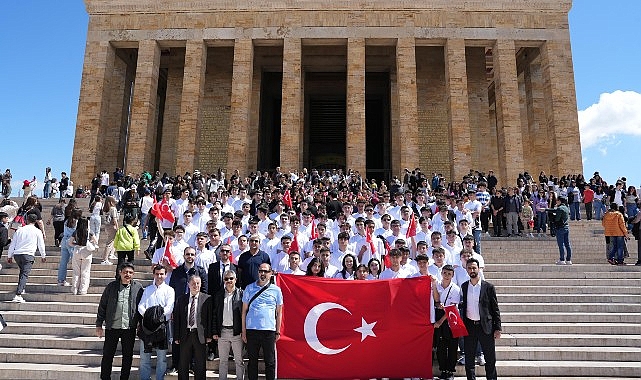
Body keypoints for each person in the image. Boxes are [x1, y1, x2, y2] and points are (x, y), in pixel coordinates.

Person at [96, 262, 144, 380]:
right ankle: (105, 377)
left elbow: (142, 306)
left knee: (127, 356)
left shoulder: (138, 287)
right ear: (120, 273)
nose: (128, 274)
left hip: (129, 327)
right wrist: (99, 324)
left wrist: (140, 324)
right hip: (113, 326)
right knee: (108, 355)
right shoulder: (111, 287)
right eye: (125, 272)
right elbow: (103, 305)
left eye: (130, 272)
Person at [459, 258, 501, 380]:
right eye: (469, 268)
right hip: (470, 326)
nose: (472, 270)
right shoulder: (464, 286)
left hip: (485, 327)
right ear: (466, 270)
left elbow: (495, 309)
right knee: (469, 359)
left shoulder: (488, 287)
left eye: (474, 268)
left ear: (478, 269)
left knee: (490, 358)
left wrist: (498, 328)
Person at [242, 263, 283, 380]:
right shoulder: (249, 288)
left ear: (270, 273)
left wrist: (278, 331)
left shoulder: (276, 290)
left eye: (265, 271)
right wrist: (243, 331)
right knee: (252, 361)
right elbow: (244, 311)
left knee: (270, 362)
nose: (263, 274)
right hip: (252, 330)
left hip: (269, 331)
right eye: (261, 271)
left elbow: (279, 312)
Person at [138, 265, 175, 380]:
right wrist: (149, 317)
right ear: (153, 274)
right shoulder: (148, 290)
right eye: (157, 274)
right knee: (144, 358)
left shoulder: (170, 290)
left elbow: (169, 308)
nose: (159, 276)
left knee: (162, 358)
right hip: (147, 328)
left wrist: (156, 316)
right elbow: (141, 306)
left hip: (162, 327)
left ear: (165, 275)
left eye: (161, 274)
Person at [173, 274, 212, 380]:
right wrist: (176, 336)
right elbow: (177, 319)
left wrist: (209, 336)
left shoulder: (207, 299)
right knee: (183, 364)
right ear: (188, 285)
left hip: (200, 335)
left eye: (198, 283)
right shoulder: (181, 299)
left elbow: (209, 318)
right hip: (185, 334)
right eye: (193, 283)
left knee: (200, 364)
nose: (196, 286)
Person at [212, 270, 245, 380]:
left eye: (231, 278)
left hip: (237, 333)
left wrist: (243, 331)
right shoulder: (219, 295)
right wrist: (215, 331)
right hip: (223, 333)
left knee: (239, 361)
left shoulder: (242, 294)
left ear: (236, 280)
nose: (229, 281)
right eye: (226, 279)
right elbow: (215, 314)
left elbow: (244, 314)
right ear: (223, 281)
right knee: (223, 361)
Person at [6, 213, 46, 303]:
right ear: (35, 221)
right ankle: (18, 294)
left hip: (18, 254)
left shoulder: (19, 230)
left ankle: (21, 288)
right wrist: (43, 255)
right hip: (28, 254)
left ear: (27, 220)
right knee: (24, 274)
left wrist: (9, 255)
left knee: (22, 272)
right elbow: (41, 245)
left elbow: (13, 244)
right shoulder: (37, 231)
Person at [433, 264, 461, 380]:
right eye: (445, 273)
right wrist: (438, 303)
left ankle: (450, 370)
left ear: (453, 275)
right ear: (441, 273)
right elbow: (435, 300)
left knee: (453, 346)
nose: (446, 275)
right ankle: (443, 369)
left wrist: (440, 321)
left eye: (449, 274)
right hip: (440, 314)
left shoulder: (456, 289)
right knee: (441, 346)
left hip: (452, 317)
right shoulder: (438, 285)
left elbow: (453, 307)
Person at [68, 217, 98, 295]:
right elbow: (96, 241)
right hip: (86, 252)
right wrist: (90, 241)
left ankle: (74, 288)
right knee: (85, 271)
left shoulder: (76, 232)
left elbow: (70, 243)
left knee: (76, 271)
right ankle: (83, 290)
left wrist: (76, 244)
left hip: (77, 250)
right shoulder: (90, 232)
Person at [549, 196, 572, 265]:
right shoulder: (566, 208)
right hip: (566, 227)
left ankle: (562, 259)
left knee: (561, 244)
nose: (556, 202)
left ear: (559, 201)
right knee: (567, 244)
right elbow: (555, 210)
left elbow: (557, 219)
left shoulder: (559, 208)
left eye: (557, 200)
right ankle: (568, 259)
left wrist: (553, 217)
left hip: (560, 228)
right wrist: (546, 209)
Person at [101, 196, 119, 265]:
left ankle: (111, 254)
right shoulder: (113, 209)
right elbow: (114, 219)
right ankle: (105, 259)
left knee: (112, 241)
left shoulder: (105, 209)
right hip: (112, 226)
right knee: (109, 242)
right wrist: (117, 227)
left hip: (107, 226)